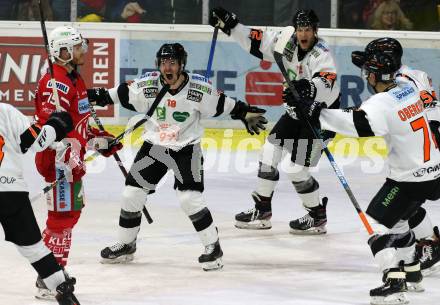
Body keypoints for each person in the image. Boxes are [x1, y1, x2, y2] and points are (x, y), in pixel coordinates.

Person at [87, 43, 267, 271]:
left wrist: (245, 113)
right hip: (155, 146)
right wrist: (84, 96)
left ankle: (213, 247)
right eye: (163, 63)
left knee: (189, 199)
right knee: (131, 194)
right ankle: (126, 244)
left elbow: (225, 103)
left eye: (172, 62)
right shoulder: (148, 85)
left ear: (182, 65)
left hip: (187, 149)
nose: (167, 67)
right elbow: (110, 95)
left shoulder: (198, 89)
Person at [286, 42, 440, 305]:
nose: (365, 76)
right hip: (433, 172)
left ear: (377, 74)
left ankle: (393, 280)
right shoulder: (408, 88)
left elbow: (359, 123)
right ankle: (412, 272)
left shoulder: (383, 102)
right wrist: (315, 109)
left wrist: (315, 112)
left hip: (409, 178)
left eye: (368, 71)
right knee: (401, 220)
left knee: (375, 224)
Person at [209, 8, 340, 234]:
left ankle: (316, 215)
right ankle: (262, 209)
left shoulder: (322, 53)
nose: (303, 34)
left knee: (295, 169)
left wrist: (308, 88)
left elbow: (327, 82)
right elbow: (257, 41)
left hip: (321, 115)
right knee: (269, 151)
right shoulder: (286, 41)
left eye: (308, 29)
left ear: (315, 31)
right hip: (294, 113)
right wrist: (233, 27)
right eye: (300, 29)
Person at [33, 25, 122, 298]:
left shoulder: (74, 78)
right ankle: (49, 279)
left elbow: (80, 123)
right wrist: (67, 156)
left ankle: (51, 274)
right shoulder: (54, 82)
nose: (83, 50)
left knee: (69, 215)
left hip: (71, 159)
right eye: (77, 46)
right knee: (62, 218)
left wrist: (100, 140)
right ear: (63, 51)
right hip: (58, 160)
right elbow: (50, 129)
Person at [352, 37, 440, 276]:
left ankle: (430, 244)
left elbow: (430, 110)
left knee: (405, 198)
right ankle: (418, 257)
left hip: (424, 150)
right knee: (407, 204)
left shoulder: (404, 82)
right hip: (422, 147)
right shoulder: (403, 75)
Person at [0, 102, 79, 305]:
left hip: (10, 190)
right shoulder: (5, 111)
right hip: (10, 190)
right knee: (34, 248)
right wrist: (56, 125)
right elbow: (35, 142)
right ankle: (62, 289)